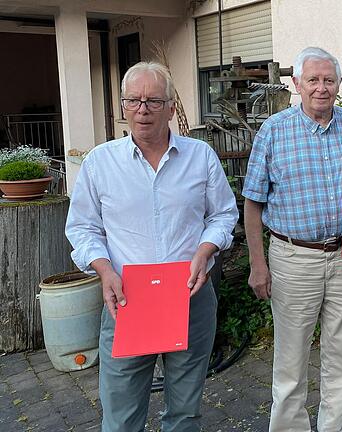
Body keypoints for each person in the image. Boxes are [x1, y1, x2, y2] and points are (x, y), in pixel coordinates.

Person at [65, 61, 238, 431]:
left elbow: (224, 215)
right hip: (127, 300)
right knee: (122, 416)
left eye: (154, 101)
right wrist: (104, 269)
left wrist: (206, 250)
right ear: (124, 107)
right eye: (134, 100)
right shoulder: (100, 163)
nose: (143, 109)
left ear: (171, 107)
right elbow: (82, 228)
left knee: (185, 412)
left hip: (190, 297)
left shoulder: (200, 156)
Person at [242, 46, 342, 432]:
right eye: (312, 80)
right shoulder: (274, 131)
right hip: (293, 258)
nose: (321, 87)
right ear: (297, 84)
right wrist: (257, 263)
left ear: (338, 84)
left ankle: (334, 427)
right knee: (290, 361)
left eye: (328, 80)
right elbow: (252, 202)